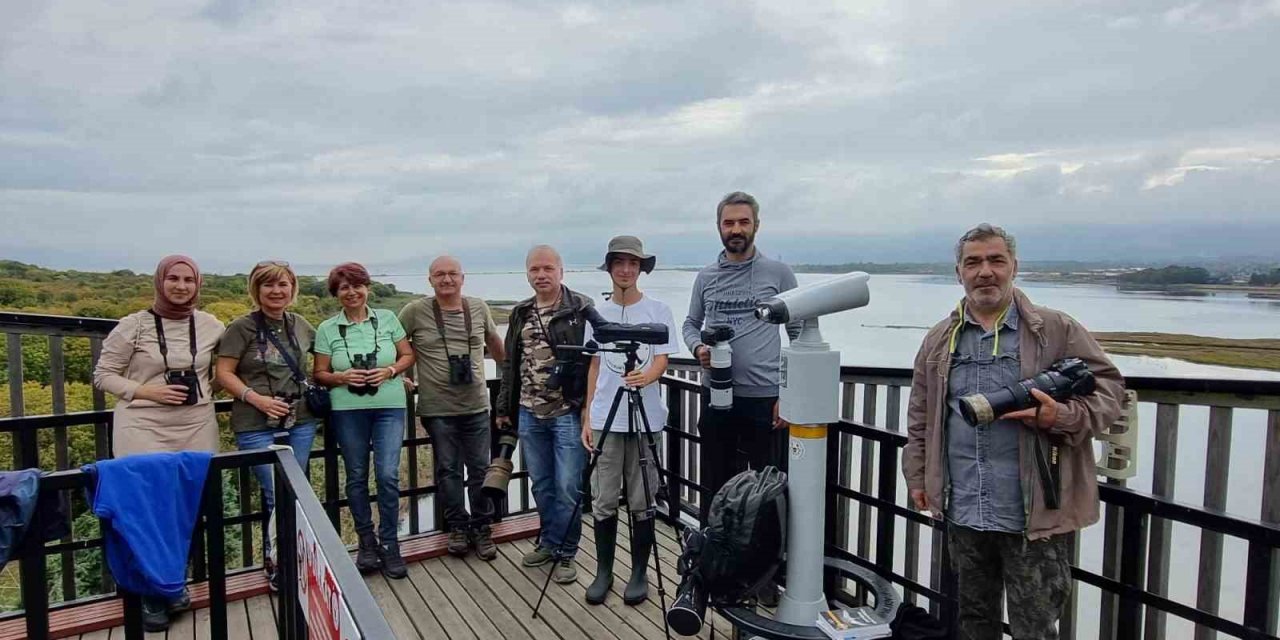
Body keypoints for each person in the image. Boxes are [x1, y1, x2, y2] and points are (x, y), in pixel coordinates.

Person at [902, 223, 1126, 640]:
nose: (984, 271)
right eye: (973, 262)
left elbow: (1111, 392)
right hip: (964, 506)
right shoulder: (938, 340)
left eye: (995, 260)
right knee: (973, 620)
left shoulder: (1056, 329)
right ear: (959, 273)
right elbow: (920, 416)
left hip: (1034, 512)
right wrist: (918, 476)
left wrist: (1060, 416)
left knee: (1036, 626)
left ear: (1014, 267)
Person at [92, 254, 224, 631]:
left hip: (196, 420)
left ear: (198, 284)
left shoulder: (212, 324)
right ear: (160, 282)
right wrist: (146, 392)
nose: (181, 286)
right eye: (174, 279)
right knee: (147, 505)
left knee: (188, 502)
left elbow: (231, 364)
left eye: (189, 280)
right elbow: (104, 375)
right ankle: (153, 590)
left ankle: (173, 582)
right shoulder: (132, 326)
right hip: (142, 422)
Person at [681, 191, 801, 523]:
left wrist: (789, 395)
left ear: (756, 226)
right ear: (719, 227)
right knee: (716, 485)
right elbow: (691, 324)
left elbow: (799, 334)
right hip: (717, 397)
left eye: (743, 222)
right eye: (729, 222)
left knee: (767, 490)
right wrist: (698, 349)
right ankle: (714, 560)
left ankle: (765, 569)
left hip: (765, 400)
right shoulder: (706, 277)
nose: (736, 229)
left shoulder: (778, 273)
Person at [580, 236, 679, 606]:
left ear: (640, 269)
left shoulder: (658, 310)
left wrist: (647, 376)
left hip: (645, 419)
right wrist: (587, 415)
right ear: (610, 267)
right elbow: (593, 365)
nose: (626, 269)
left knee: (642, 499)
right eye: (619, 263)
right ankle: (603, 570)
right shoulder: (596, 314)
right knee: (603, 499)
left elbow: (663, 358)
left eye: (633, 264)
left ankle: (639, 572)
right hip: (606, 419)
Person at [213, 260, 319, 590]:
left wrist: (391, 373)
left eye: (283, 284)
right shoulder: (240, 328)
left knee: (292, 491)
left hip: (298, 419)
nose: (276, 291)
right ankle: (281, 560)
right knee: (280, 490)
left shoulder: (300, 324)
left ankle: (285, 558)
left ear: (293, 289)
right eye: (268, 285)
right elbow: (223, 373)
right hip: (255, 422)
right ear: (256, 290)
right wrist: (256, 398)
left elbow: (332, 355)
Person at [495, 245, 595, 585]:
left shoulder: (580, 308)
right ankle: (549, 542)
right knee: (542, 484)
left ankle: (567, 552)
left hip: (567, 412)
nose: (541, 275)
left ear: (561, 271)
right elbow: (510, 363)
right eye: (535, 269)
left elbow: (594, 362)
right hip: (527, 412)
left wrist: (587, 411)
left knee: (568, 486)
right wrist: (503, 409)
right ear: (527, 274)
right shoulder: (520, 312)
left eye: (548, 268)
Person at [312, 262, 415, 580]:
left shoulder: (387, 319)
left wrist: (390, 371)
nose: (352, 291)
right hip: (347, 409)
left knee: (386, 476)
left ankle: (391, 544)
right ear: (336, 293)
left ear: (367, 287)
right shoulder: (327, 328)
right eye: (344, 287)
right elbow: (319, 373)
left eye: (357, 285)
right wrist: (342, 377)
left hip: (389, 406)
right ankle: (366, 544)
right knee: (356, 476)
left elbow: (408, 355)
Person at [398, 256, 505, 560]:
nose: (446, 279)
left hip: (475, 405)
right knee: (448, 471)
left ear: (462, 277)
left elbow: (494, 342)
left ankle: (483, 527)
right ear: (429, 280)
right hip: (437, 408)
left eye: (452, 274)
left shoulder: (478, 307)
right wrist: (402, 375)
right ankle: (457, 527)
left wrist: (509, 372)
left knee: (480, 469)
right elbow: (395, 341)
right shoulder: (415, 311)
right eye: (439, 275)